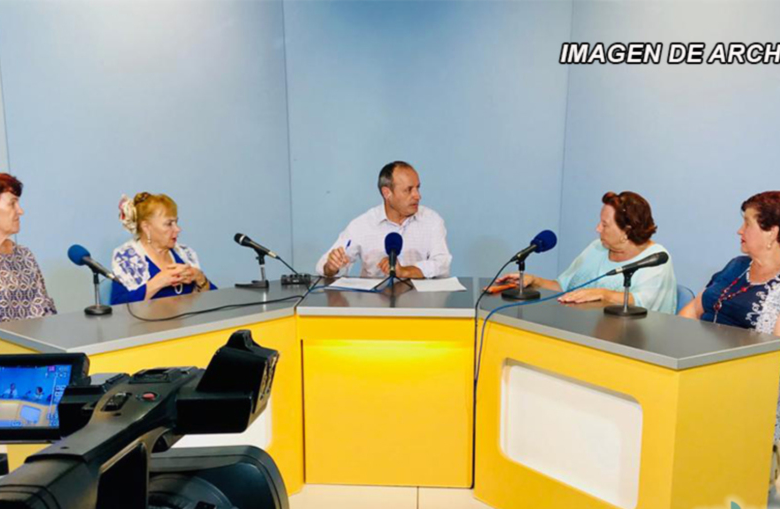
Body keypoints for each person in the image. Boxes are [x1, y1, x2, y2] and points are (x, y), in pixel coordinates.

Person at [679, 191, 780, 482]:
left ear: (772, 232)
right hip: (698, 364)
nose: (739, 230)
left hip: (741, 382)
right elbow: (694, 309)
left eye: (747, 223)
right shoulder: (736, 266)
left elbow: (772, 358)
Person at [495, 191, 677, 313]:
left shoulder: (656, 259)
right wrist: (535, 281)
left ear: (627, 231)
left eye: (605, 225)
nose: (597, 228)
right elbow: (563, 288)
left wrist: (604, 294)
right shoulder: (596, 248)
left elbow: (642, 304)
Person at [315, 161, 452, 279]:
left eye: (417, 188)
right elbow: (323, 266)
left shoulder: (432, 220)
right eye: (409, 190)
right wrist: (331, 267)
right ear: (387, 193)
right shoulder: (362, 224)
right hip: (374, 305)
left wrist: (405, 271)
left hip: (421, 304)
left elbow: (442, 264)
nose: (417, 196)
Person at [0, 170, 57, 354]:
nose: (20, 211)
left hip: (37, 359)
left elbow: (46, 310)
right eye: (12, 204)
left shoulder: (24, 255)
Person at [111, 192, 215, 304]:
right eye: (169, 224)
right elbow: (118, 308)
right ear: (146, 227)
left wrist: (200, 278)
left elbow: (216, 301)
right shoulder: (127, 260)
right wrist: (159, 281)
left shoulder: (184, 254)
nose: (178, 229)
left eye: (176, 222)